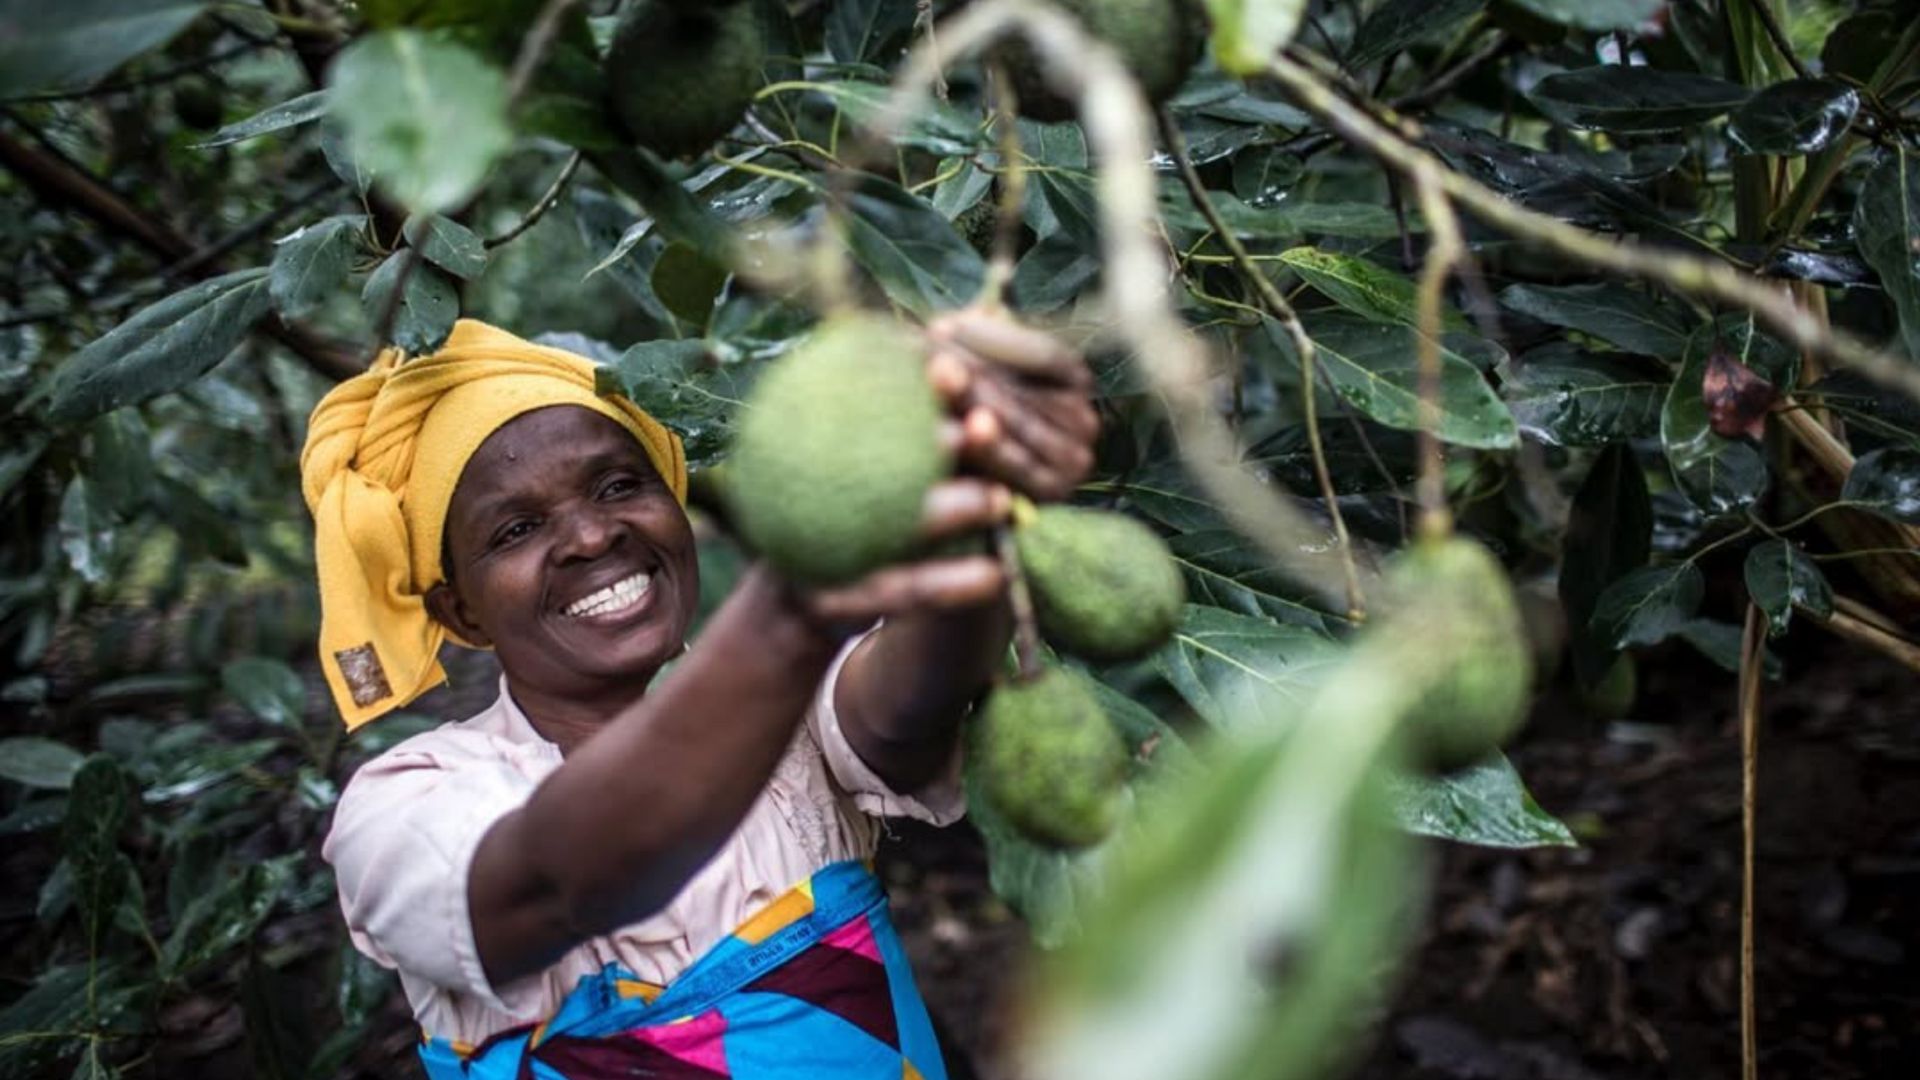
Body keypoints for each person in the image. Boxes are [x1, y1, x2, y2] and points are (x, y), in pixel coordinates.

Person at [302, 310, 1098, 1080]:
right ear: (460, 609)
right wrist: (801, 599)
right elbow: (561, 880)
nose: (590, 536)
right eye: (514, 531)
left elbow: (908, 699)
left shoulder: (780, 717)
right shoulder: (405, 806)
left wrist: (978, 486)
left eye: (617, 485)